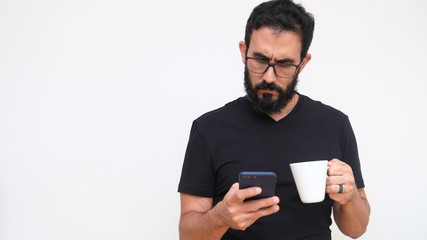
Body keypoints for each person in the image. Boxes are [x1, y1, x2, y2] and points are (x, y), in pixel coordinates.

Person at [177, 0, 370, 239]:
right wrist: (221, 217)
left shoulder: (335, 124)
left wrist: (350, 197)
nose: (269, 77)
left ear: (303, 63)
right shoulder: (209, 129)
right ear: (243, 52)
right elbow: (187, 234)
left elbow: (356, 229)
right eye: (259, 60)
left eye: (284, 64)